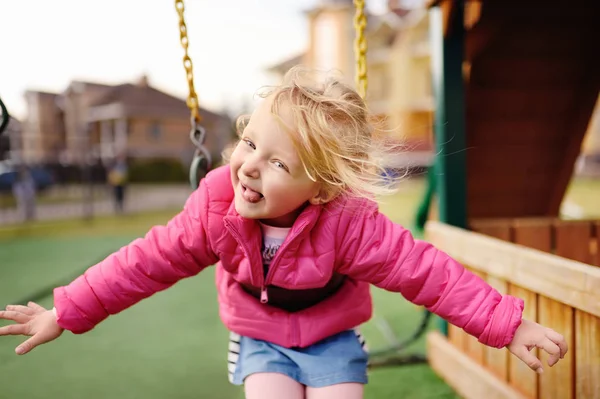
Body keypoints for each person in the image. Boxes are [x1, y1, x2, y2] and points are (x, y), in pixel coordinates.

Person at [0, 67, 567, 399]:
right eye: (250, 144)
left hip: (330, 331)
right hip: (261, 333)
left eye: (278, 164)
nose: (249, 165)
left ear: (319, 191)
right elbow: (144, 262)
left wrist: (507, 326)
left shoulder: (350, 224)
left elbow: (429, 274)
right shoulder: (216, 206)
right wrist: (66, 311)